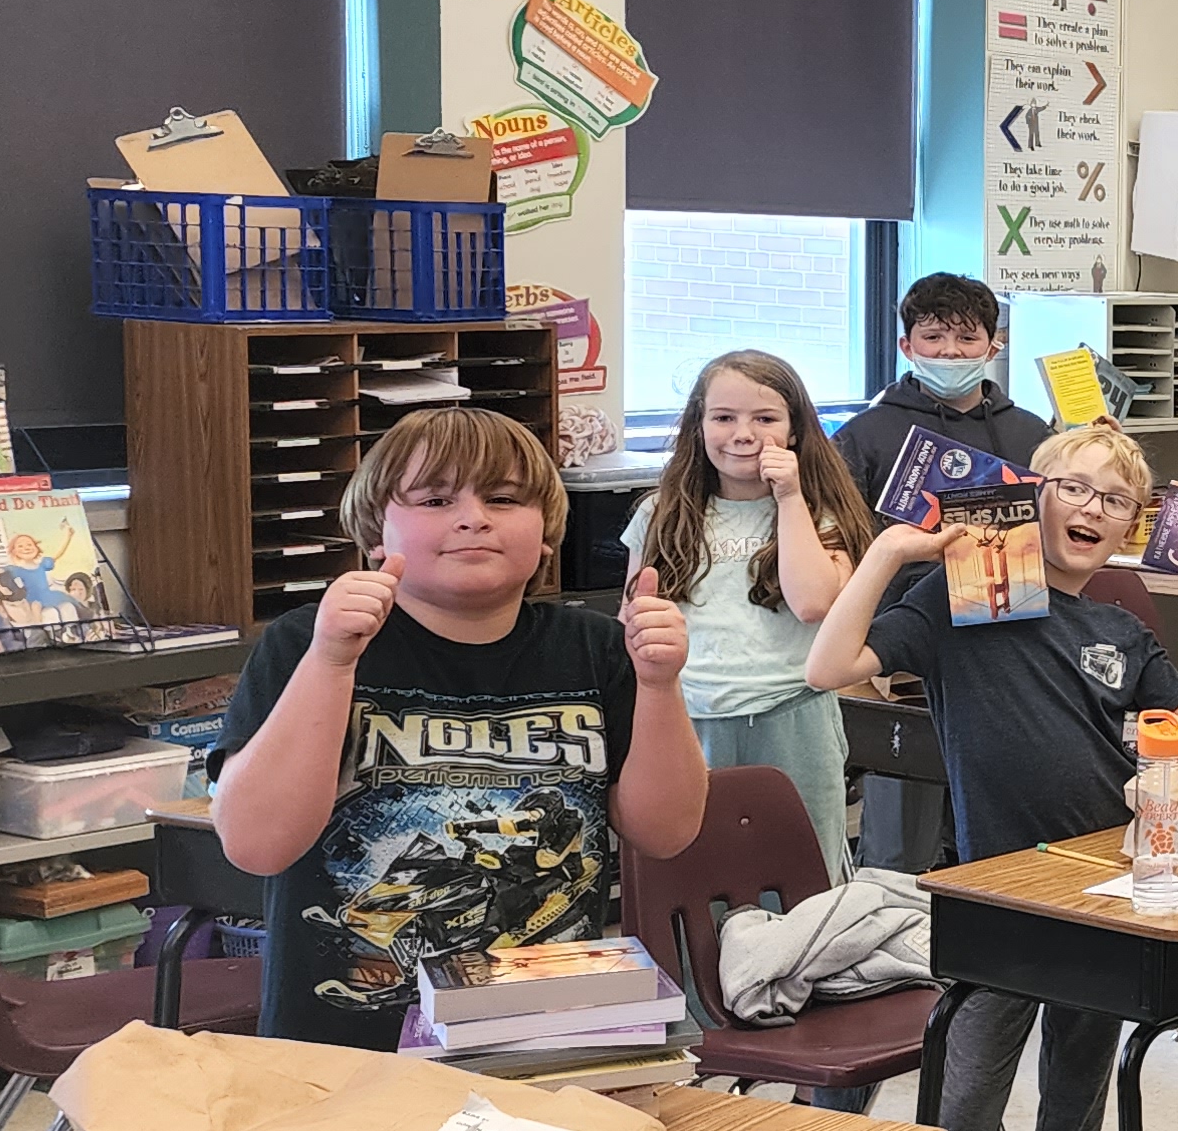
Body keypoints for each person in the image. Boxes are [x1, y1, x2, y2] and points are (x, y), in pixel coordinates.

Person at [801, 422, 1178, 1131]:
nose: (1090, 508)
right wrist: (891, 550)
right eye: (1071, 488)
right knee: (956, 1116)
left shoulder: (1124, 635)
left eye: (1113, 499)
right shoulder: (958, 601)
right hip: (993, 903)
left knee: (1076, 1090)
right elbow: (829, 666)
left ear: (1132, 524)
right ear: (1029, 495)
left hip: (1104, 900)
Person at [211, 408, 704, 1050]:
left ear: (547, 534)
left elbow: (666, 833)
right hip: (340, 1050)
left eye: (503, 498)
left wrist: (661, 686)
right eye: (436, 499)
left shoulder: (598, 648)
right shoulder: (306, 643)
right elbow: (256, 845)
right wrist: (332, 660)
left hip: (541, 1035)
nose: (473, 517)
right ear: (374, 532)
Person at [623, 351, 873, 880]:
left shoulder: (819, 511)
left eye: (765, 419)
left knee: (802, 875)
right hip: (691, 719)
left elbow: (813, 605)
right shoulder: (659, 513)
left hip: (793, 717)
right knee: (694, 877)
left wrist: (789, 496)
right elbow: (636, 619)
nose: (743, 434)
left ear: (796, 430)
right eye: (724, 418)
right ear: (698, 426)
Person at [832, 272, 1052, 487]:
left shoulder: (1033, 435)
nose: (950, 350)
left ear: (992, 350)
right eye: (933, 337)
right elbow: (835, 520)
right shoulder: (862, 436)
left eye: (967, 338)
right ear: (907, 348)